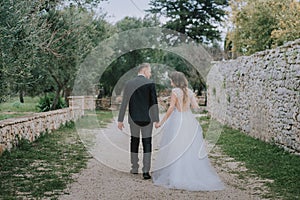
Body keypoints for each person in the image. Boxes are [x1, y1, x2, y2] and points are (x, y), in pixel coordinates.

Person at [153, 71, 225, 191]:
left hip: (177, 120)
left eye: (171, 80)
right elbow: (196, 107)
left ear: (175, 81)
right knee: (188, 147)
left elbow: (171, 108)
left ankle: (176, 176)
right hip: (189, 120)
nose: (170, 82)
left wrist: (161, 122)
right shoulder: (189, 91)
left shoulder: (175, 91)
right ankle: (190, 173)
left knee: (176, 147)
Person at [118, 63, 159, 180]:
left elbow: (124, 102)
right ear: (144, 70)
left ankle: (134, 167)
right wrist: (156, 119)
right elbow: (154, 103)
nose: (150, 73)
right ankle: (146, 171)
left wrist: (120, 120)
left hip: (134, 118)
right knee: (147, 143)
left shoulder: (129, 83)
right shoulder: (150, 84)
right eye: (149, 71)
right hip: (148, 119)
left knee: (134, 142)